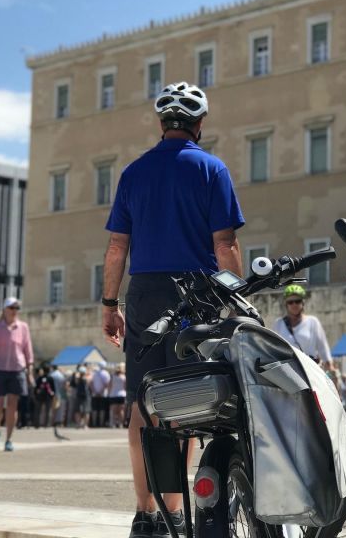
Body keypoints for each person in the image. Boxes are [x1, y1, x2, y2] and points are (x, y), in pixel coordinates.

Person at [101, 81, 244, 538]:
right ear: (199, 125)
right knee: (182, 404)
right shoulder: (212, 169)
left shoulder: (133, 173)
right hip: (195, 295)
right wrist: (238, 299)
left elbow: (116, 247)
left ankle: (144, 514)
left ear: (161, 124)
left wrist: (109, 303)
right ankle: (174, 511)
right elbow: (225, 244)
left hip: (143, 295)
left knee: (142, 405)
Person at [0, 296, 33, 451]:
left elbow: (28, 350)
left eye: (16, 308)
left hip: (17, 368)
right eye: (11, 308)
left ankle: (9, 439)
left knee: (13, 405)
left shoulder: (23, 327)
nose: (14, 311)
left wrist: (30, 371)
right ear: (4, 310)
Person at [272, 285, 333, 368]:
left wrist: (330, 366)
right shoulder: (279, 324)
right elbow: (274, 349)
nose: (294, 305)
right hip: (289, 369)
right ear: (286, 304)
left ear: (302, 302)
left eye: (297, 301)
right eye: (290, 302)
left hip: (310, 369)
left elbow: (323, 348)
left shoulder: (312, 322)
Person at [90, 361, 111, 428]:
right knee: (102, 409)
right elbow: (106, 384)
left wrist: (95, 391)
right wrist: (101, 392)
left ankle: (94, 423)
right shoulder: (106, 374)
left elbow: (91, 383)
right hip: (103, 394)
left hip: (94, 394)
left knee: (95, 409)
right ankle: (101, 424)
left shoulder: (94, 373)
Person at [108, 362, 127, 428]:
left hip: (113, 395)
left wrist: (109, 393)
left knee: (114, 411)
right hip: (122, 394)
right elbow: (125, 386)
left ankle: (113, 424)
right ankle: (121, 424)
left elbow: (109, 385)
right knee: (121, 411)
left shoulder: (112, 376)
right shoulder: (124, 377)